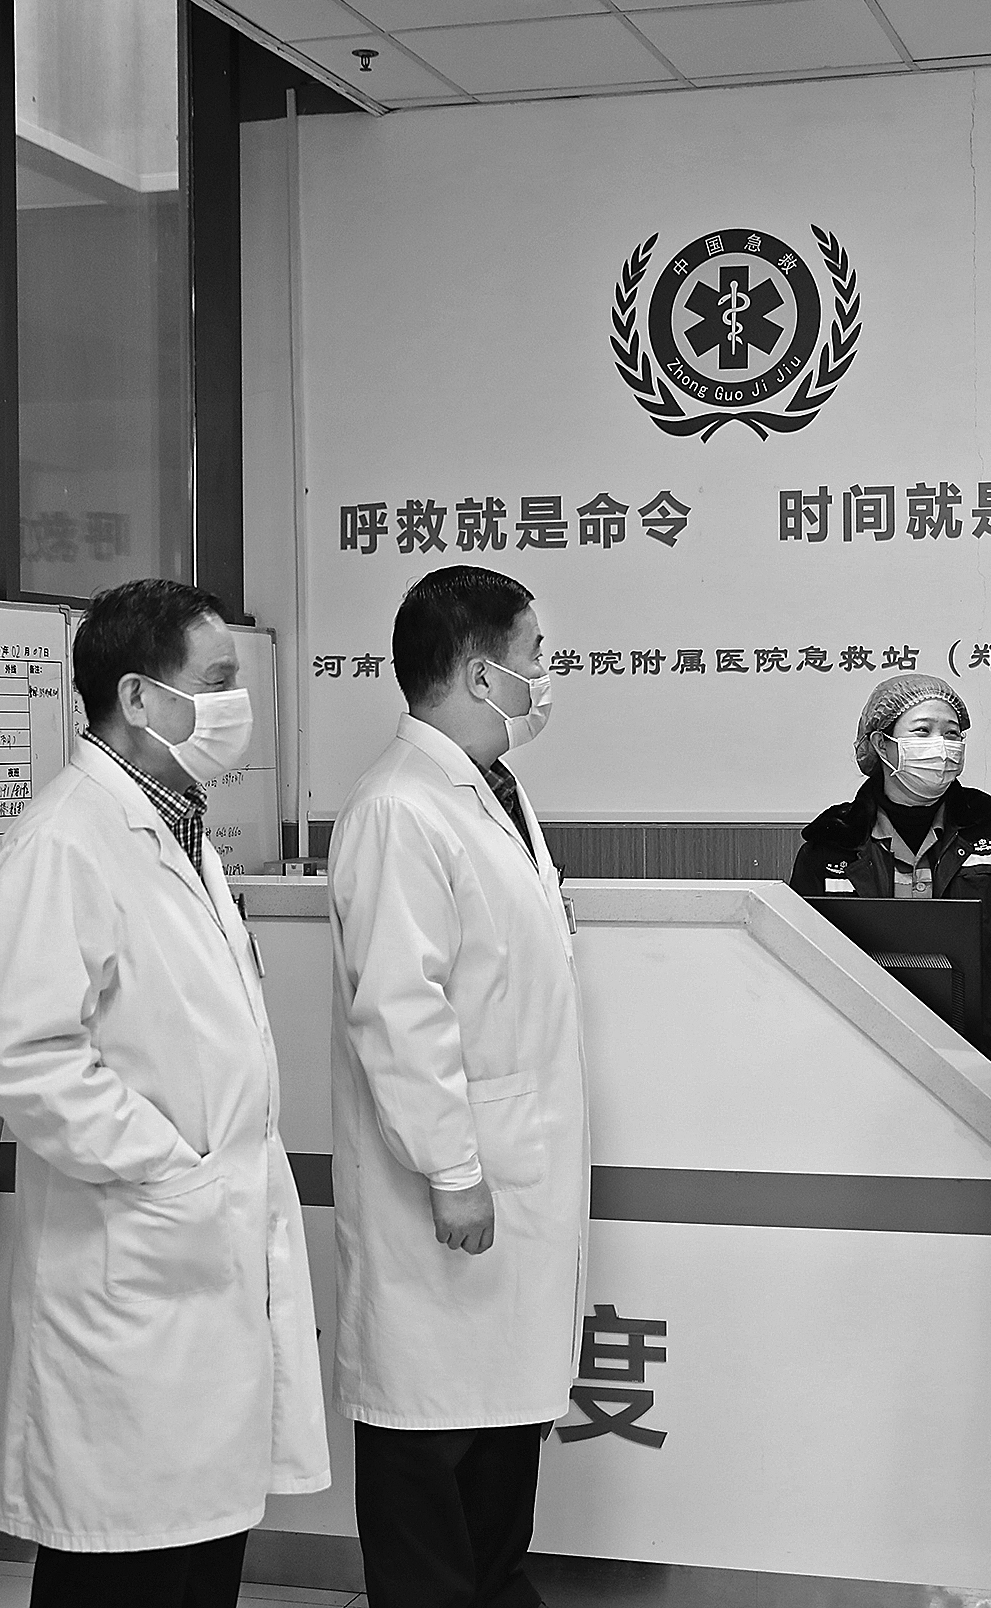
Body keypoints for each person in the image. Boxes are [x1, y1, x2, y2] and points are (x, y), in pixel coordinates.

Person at [0, 579, 329, 1607]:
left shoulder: (177, 830)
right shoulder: (66, 837)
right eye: (214, 682)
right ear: (136, 695)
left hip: (191, 1255)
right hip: (134, 1253)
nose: (234, 705)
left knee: (194, 1552)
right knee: (124, 1567)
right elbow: (18, 1051)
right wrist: (170, 1170)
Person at [327, 565, 587, 1608]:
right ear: (481, 674)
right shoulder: (399, 808)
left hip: (505, 1176)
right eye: (534, 658)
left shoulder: (486, 790)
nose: (544, 677)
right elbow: (400, 1010)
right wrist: (451, 1168)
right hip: (450, 1191)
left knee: (493, 1458)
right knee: (429, 1457)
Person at [789, 674, 991, 1072]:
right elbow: (802, 967)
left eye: (952, 734)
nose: (942, 746)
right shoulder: (831, 845)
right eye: (923, 731)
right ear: (882, 744)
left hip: (986, 1063)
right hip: (863, 1061)